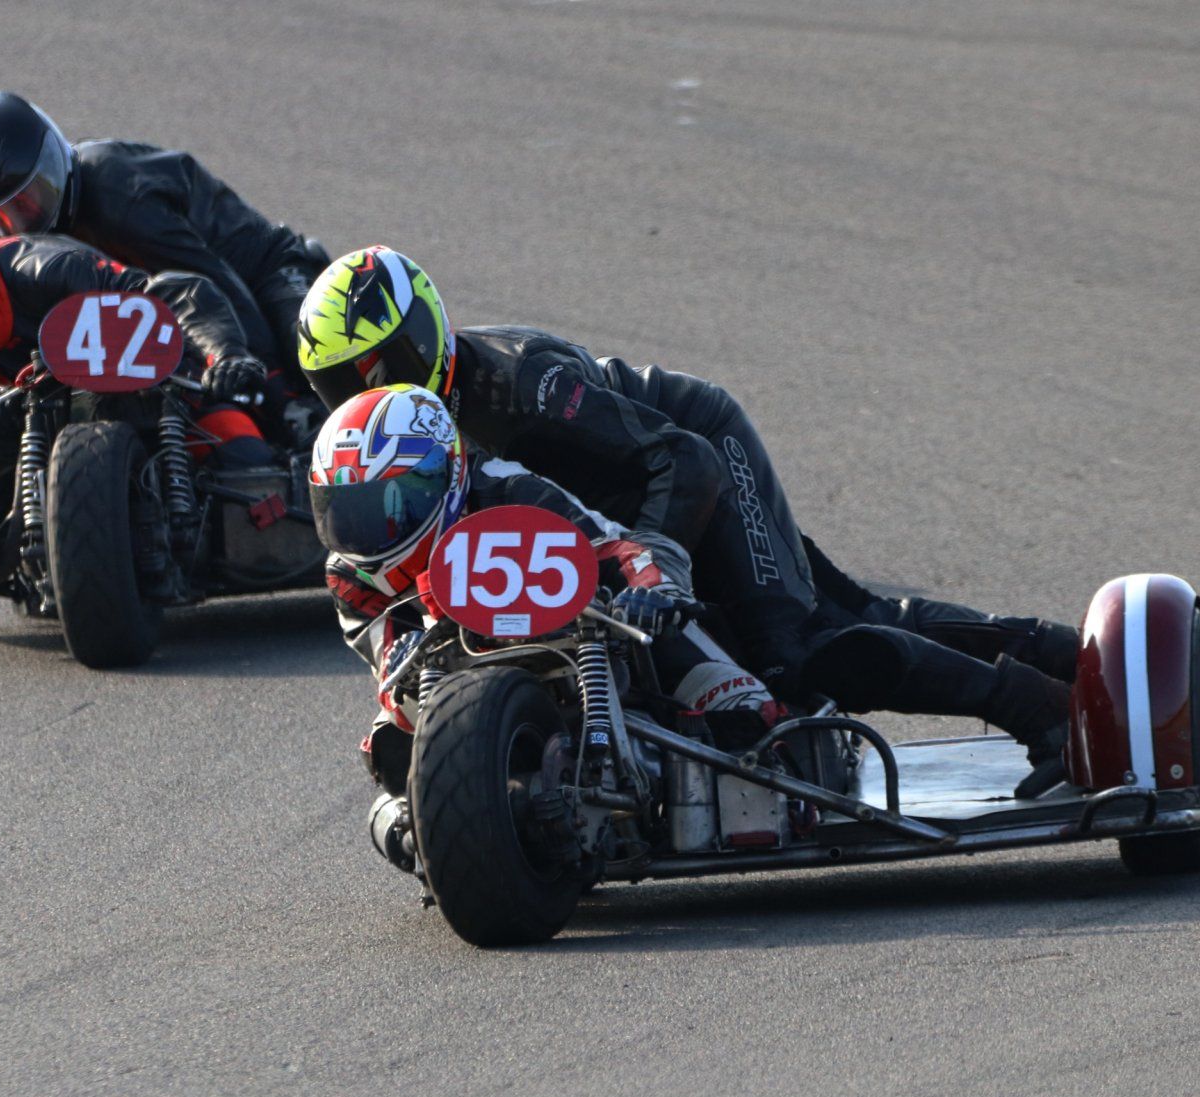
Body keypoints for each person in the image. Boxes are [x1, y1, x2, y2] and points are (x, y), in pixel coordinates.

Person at [296, 246, 1081, 796]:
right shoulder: (410, 442)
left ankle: (1037, 705)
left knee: (795, 651)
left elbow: (680, 457)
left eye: (382, 365)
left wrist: (659, 566)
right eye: (339, 385)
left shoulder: (517, 383)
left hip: (693, 457)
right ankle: (1054, 652)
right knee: (851, 612)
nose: (367, 392)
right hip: (615, 515)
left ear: (424, 332)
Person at [310, 384, 779, 872]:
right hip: (454, 663)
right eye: (343, 509)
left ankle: (761, 749)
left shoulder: (506, 488)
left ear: (442, 475)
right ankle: (482, 817)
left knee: (741, 705)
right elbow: (384, 663)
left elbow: (614, 547)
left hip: (579, 633)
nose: (363, 529)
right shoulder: (348, 570)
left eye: (389, 503)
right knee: (388, 749)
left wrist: (654, 591)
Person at [0, 200, 271, 585]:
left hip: (156, 405)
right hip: (40, 451)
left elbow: (172, 294)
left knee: (249, 466)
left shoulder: (48, 271)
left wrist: (224, 354)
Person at [0, 90, 328, 429]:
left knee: (307, 363)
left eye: (25, 206)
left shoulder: (117, 197)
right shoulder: (35, 261)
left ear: (53, 165)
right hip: (189, 301)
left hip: (265, 274)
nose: (18, 229)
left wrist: (271, 386)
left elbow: (215, 282)